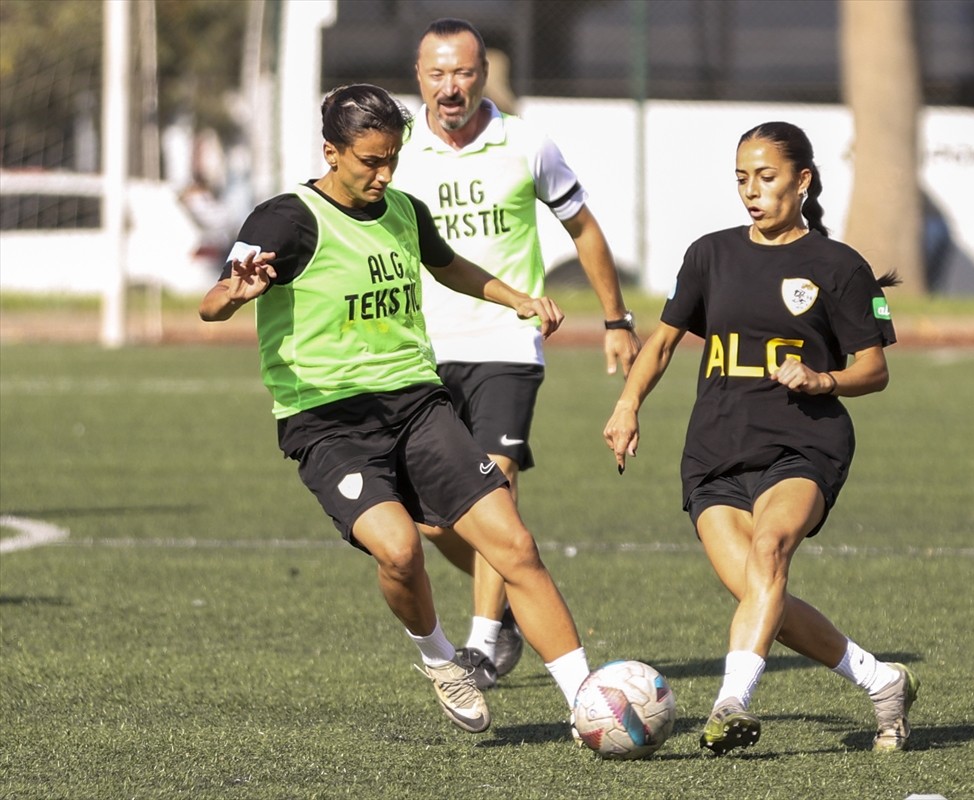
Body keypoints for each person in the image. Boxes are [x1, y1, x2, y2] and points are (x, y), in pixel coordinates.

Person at [198, 83, 591, 737]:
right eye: (369, 162)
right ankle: (440, 659)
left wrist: (514, 298)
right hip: (327, 421)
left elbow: (447, 265)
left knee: (515, 544)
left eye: (392, 160)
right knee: (401, 550)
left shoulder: (403, 210)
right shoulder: (284, 219)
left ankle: (587, 702)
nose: (383, 175)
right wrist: (235, 295)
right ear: (332, 151)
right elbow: (212, 302)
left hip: (416, 405)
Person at [603, 121, 918, 756]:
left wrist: (821, 377)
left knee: (770, 549)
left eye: (766, 177)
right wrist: (628, 403)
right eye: (742, 179)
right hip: (715, 449)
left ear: (802, 181)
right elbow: (662, 341)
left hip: (802, 443)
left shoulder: (838, 267)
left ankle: (731, 702)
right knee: (759, 591)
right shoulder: (709, 255)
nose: (752, 191)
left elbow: (874, 370)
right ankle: (883, 682)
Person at [397, 17, 641, 687]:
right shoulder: (395, 151)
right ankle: (507, 607)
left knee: (495, 480)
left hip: (508, 340)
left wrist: (616, 318)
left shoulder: (527, 144)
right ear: (419, 77)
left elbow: (583, 229)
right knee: (431, 522)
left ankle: (480, 644)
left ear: (484, 74)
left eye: (465, 73)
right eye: (438, 74)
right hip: (420, 348)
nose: (452, 88)